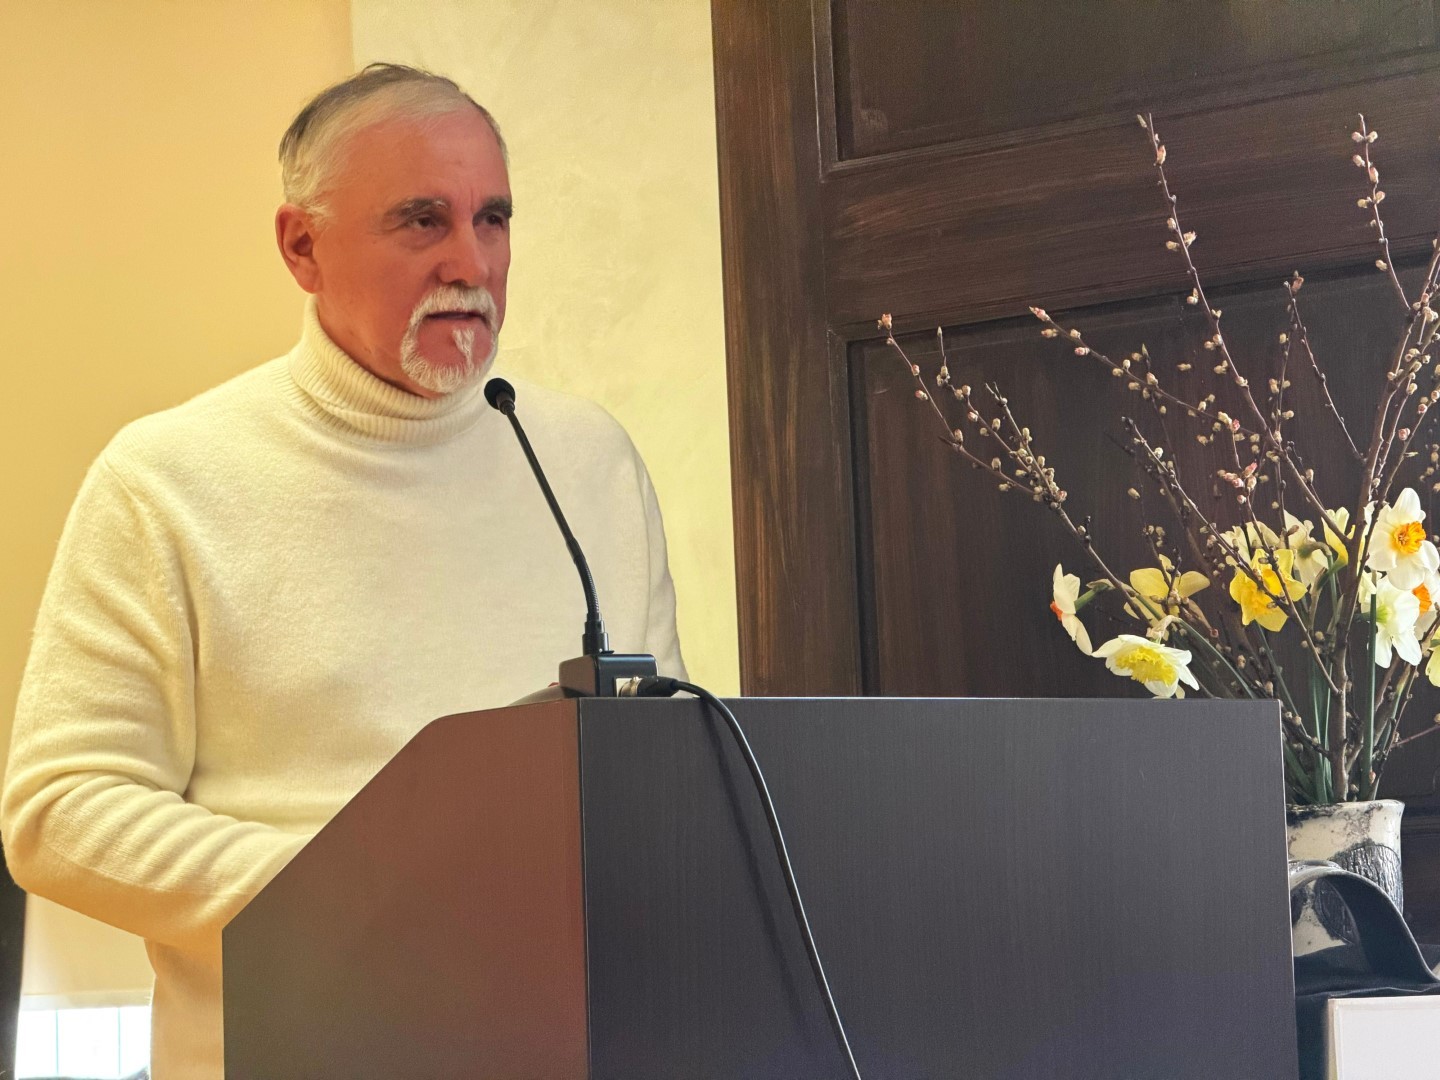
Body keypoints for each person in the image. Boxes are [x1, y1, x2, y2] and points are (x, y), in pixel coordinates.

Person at [1, 63, 685, 1078]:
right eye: (422, 221)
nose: (471, 261)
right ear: (302, 247)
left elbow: (667, 781)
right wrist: (353, 902)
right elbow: (60, 808)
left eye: (492, 220)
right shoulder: (166, 480)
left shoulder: (586, 462)